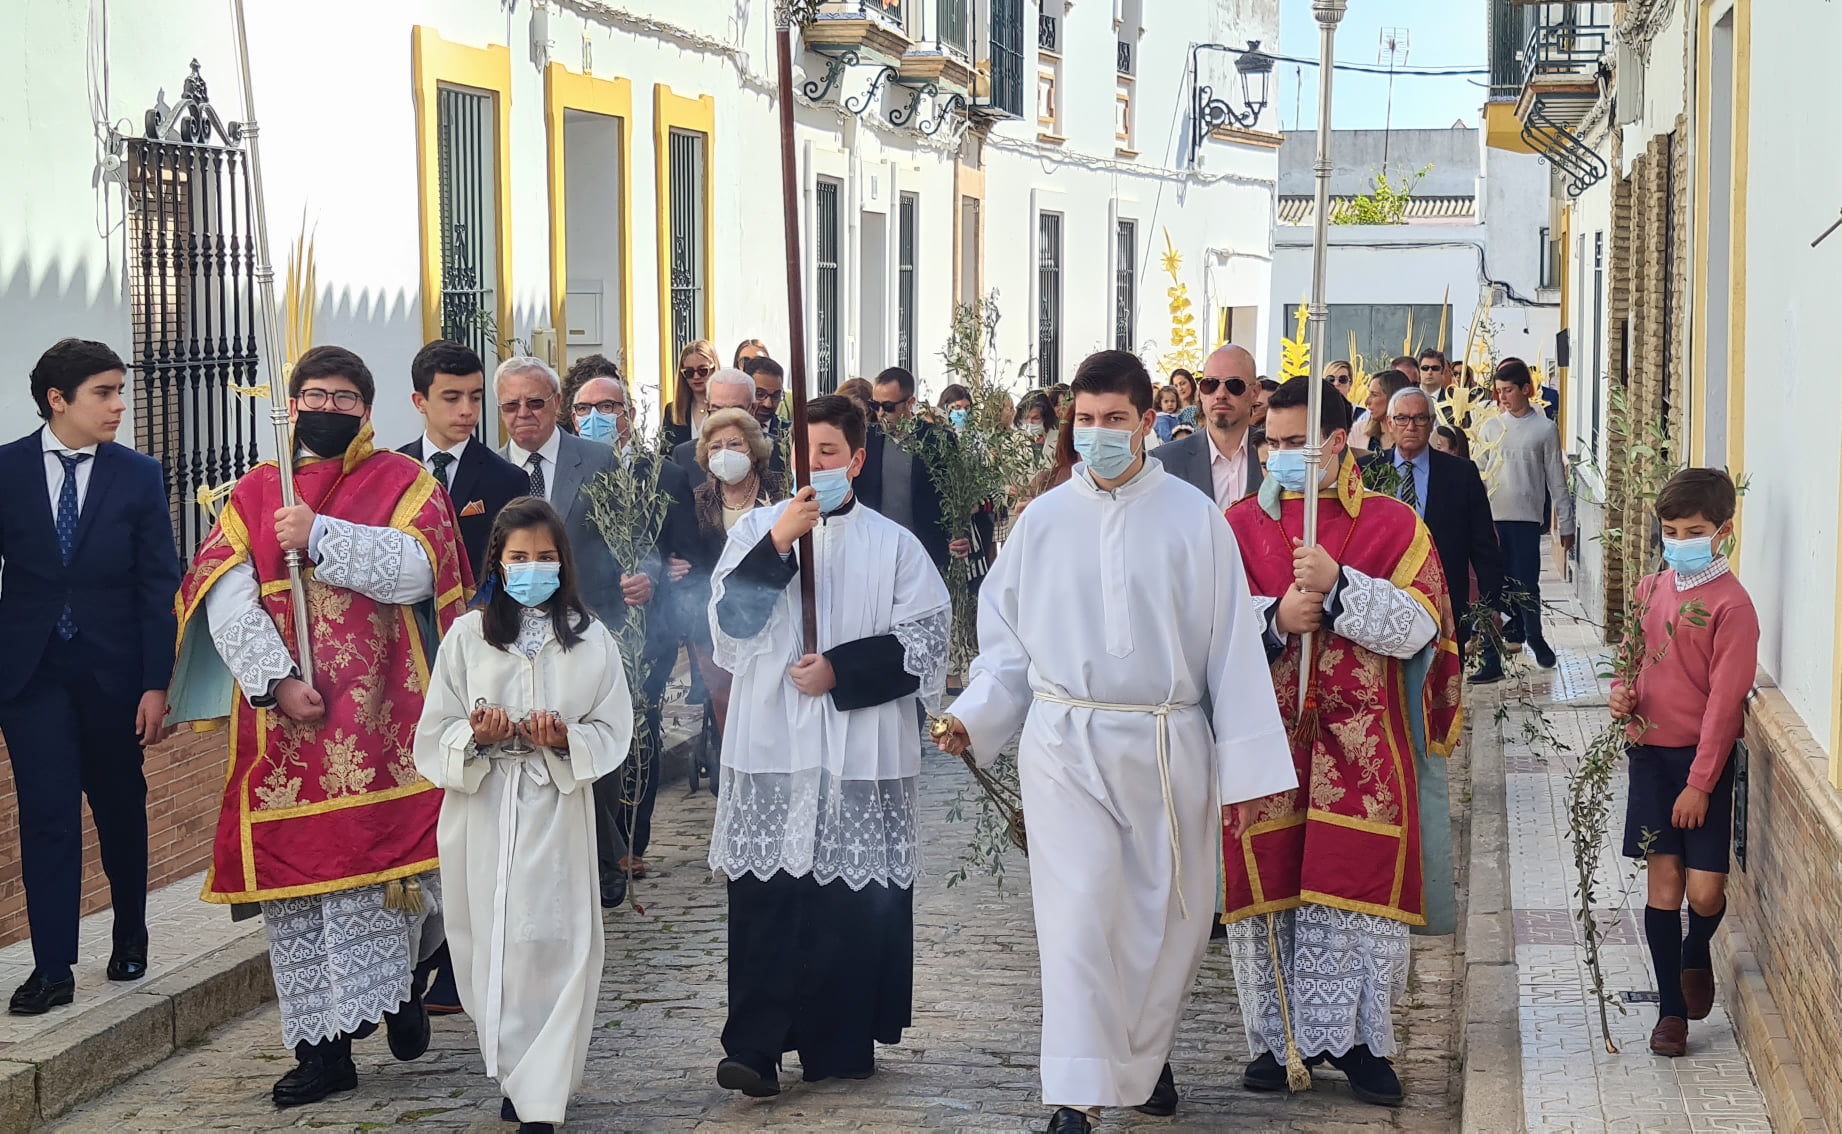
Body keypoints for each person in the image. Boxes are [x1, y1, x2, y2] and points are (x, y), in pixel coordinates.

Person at [936, 351, 1294, 1134]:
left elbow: (1232, 650)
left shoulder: (1194, 519)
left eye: (1115, 420)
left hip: (1168, 747)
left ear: (1147, 422)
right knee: (1078, 916)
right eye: (1087, 420)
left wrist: (1247, 775)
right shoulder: (1042, 522)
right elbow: (1006, 649)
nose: (1097, 434)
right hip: (1066, 743)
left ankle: (1140, 1059)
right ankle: (1076, 1097)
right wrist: (973, 716)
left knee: (1161, 926)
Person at [170, 345, 469, 1105]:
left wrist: (321, 536)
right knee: (298, 895)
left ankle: (403, 986)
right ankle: (322, 1052)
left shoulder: (404, 481)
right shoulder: (253, 492)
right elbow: (224, 596)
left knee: (392, 879)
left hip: (383, 724)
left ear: (367, 409)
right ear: (292, 404)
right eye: (314, 396)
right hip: (288, 736)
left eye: (344, 398)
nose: (328, 409)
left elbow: (420, 571)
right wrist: (275, 682)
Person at [1222, 375, 1464, 1108]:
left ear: (1335, 442)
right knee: (1272, 889)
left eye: (1295, 443)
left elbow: (1424, 626)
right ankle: (1276, 1042)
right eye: (1271, 442)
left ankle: (1361, 1044)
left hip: (1361, 750)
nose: (1279, 455)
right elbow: (1205, 626)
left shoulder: (1394, 525)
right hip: (1268, 743)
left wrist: (1340, 587)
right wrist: (1274, 619)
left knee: (1353, 896)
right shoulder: (1237, 526)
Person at [707, 395, 950, 1098]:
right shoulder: (755, 529)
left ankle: (836, 1040)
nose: (814, 464)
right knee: (768, 896)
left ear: (857, 459)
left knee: (849, 902)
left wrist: (841, 669)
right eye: (804, 451)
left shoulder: (893, 544)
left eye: (829, 452)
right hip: (774, 741)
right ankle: (754, 1047)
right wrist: (779, 543)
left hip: (857, 741)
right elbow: (728, 627)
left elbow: (925, 642)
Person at [414, 499, 632, 1134]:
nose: (533, 567)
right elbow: (434, 731)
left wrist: (565, 739)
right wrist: (477, 736)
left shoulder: (591, 639)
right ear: (498, 563)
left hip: (555, 806)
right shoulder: (467, 636)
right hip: (484, 808)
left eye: (544, 557)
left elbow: (612, 726)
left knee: (555, 940)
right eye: (519, 557)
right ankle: (515, 1068)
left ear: (562, 564)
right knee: (492, 940)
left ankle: (544, 1089)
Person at [0, 339, 180, 1016]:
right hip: (31, 676)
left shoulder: (138, 475)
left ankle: (129, 931)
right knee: (46, 814)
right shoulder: (7, 470)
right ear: (58, 399)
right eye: (104, 392)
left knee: (118, 807)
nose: (118, 405)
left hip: (115, 676)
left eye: (119, 391)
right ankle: (53, 967)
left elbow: (158, 585)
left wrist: (156, 683)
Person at [497, 357, 668, 908]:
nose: (523, 414)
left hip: (595, 623)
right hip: (519, 633)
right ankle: (571, 859)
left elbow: (640, 538)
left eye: (535, 402)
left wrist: (645, 576)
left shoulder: (598, 461)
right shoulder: (493, 471)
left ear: (556, 405)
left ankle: (605, 853)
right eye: (511, 405)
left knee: (589, 741)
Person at [1607, 469, 1757, 1059]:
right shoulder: (1649, 589)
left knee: (1705, 891)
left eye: (1694, 532)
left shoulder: (1732, 606)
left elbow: (1724, 704)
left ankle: (1697, 951)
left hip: (1703, 763)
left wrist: (1700, 783)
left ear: (1724, 531)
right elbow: (1631, 657)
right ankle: (1671, 1012)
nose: (1679, 542)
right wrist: (1621, 694)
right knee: (1665, 884)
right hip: (1650, 756)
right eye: (1670, 531)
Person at [563, 368, 697, 892]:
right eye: (584, 408)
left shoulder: (663, 475)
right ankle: (599, 838)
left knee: (639, 723)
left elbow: (685, 555)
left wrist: (660, 575)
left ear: (630, 414)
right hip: (584, 619)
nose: (596, 417)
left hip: (647, 628)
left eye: (609, 407)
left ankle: (631, 842)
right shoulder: (569, 471)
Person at [1373, 387, 1506, 678]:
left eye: (1420, 418)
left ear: (1432, 423)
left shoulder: (1461, 474)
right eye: (1403, 418)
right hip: (1382, 602)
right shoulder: (1369, 472)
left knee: (1443, 688)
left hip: (1445, 605)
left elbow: (1483, 544)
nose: (1411, 426)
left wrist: (1490, 604)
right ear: (1390, 423)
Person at [684, 408, 788, 736]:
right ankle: (728, 758)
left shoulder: (782, 491)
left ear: (754, 450)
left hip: (775, 615)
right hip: (715, 621)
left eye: (734, 444)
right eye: (715, 446)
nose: (724, 453)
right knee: (726, 706)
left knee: (773, 703)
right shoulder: (698, 500)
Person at [1474, 358, 1575, 670]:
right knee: (1493, 584)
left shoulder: (1544, 429)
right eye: (1499, 391)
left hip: (1526, 520)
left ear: (1526, 389)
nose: (1503, 397)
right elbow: (1478, 472)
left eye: (1509, 390)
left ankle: (1535, 636)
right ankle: (1495, 646)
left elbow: (1556, 479)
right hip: (1492, 518)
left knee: (1527, 584)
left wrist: (1566, 523)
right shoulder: (1491, 427)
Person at [400, 340, 530, 581]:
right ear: (420, 402)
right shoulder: (394, 472)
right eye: (452, 398)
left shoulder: (507, 479)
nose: (467, 410)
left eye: (476, 398)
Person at [859, 366, 950, 569]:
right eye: (875, 405)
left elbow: (953, 496)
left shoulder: (938, 440)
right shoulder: (865, 439)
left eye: (888, 406)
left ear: (910, 403)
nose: (880, 413)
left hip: (925, 551)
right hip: (874, 549)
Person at [1155, 344, 1264, 510]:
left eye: (1234, 385)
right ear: (1201, 392)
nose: (1220, 394)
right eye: (1210, 384)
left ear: (1254, 393)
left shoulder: (1278, 455)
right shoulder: (1164, 463)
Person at [672, 368, 759, 487]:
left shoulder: (778, 453)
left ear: (753, 409)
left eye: (735, 411)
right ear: (707, 407)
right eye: (717, 410)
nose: (725, 419)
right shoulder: (684, 456)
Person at [663, 339, 720, 452]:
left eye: (702, 370)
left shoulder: (727, 407)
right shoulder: (673, 411)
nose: (696, 377)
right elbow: (665, 454)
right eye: (689, 372)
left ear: (714, 369)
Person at [1350, 368, 1412, 455]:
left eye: (1374, 395)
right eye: (1369, 394)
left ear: (1393, 398)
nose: (1367, 402)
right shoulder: (1358, 431)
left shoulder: (1417, 434)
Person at [745, 355, 787, 436]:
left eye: (775, 396)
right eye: (760, 394)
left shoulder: (789, 433)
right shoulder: (728, 429)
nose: (768, 404)